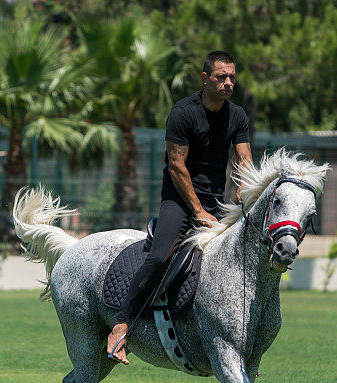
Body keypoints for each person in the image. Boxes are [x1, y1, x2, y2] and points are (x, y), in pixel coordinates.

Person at [106, 50, 254, 365]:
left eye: (232, 78)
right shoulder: (183, 113)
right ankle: (120, 324)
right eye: (220, 77)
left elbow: (245, 161)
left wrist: (245, 188)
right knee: (160, 256)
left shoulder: (237, 116)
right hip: (179, 198)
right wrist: (198, 211)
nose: (228, 83)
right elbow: (177, 167)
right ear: (205, 78)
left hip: (217, 201)